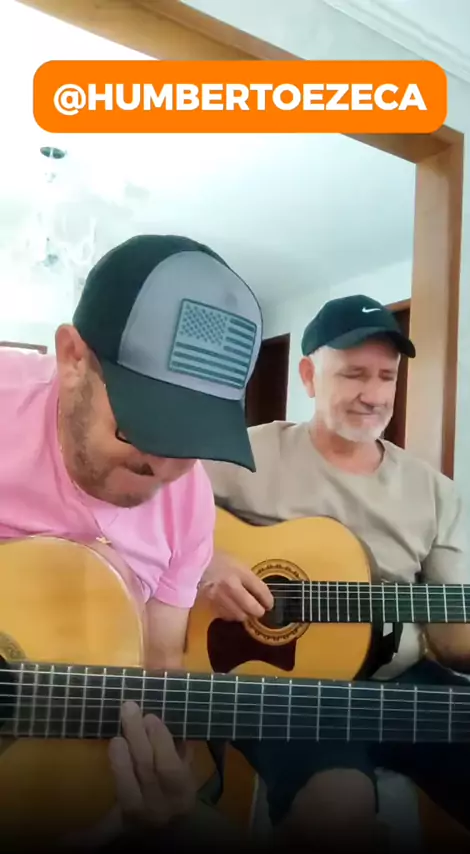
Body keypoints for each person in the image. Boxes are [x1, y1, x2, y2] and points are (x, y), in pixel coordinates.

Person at [0, 233, 263, 849]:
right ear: (73, 358)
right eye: (142, 426)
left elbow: (160, 669)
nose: (164, 469)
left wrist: (166, 766)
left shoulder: (189, 508)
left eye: (190, 440)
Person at [200, 294, 470, 853]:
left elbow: (454, 639)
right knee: (335, 816)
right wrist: (204, 558)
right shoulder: (241, 453)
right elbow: (144, 516)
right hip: (286, 689)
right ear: (308, 375)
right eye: (353, 374)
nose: (373, 394)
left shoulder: (435, 492)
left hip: (401, 683)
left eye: (386, 377)